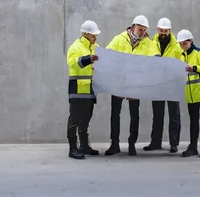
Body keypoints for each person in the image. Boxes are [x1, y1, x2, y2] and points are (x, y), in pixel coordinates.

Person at [104, 15, 161, 156]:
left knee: (134, 114)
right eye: (140, 29)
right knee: (115, 114)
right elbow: (108, 52)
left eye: (144, 30)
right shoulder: (119, 39)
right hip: (118, 83)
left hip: (135, 84)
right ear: (133, 26)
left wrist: (156, 60)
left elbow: (155, 54)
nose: (142, 32)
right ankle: (114, 144)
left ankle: (131, 144)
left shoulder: (148, 43)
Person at [143, 17, 183, 153]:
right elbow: (148, 57)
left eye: (166, 31)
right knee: (157, 114)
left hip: (172, 84)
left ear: (170, 31)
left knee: (174, 114)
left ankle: (174, 143)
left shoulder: (177, 46)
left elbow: (181, 60)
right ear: (158, 30)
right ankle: (155, 142)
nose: (163, 33)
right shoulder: (152, 43)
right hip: (157, 84)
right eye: (161, 30)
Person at [65, 20, 102, 160]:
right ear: (85, 34)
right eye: (93, 35)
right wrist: (88, 59)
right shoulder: (75, 47)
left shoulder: (95, 47)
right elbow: (72, 62)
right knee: (74, 119)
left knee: (86, 119)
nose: (95, 38)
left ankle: (84, 146)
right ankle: (73, 149)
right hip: (78, 90)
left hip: (90, 90)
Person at [177, 29, 200, 158]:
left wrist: (195, 68)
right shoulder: (182, 56)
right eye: (180, 44)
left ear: (191, 41)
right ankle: (193, 147)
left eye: (184, 43)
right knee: (194, 122)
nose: (182, 46)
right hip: (191, 95)